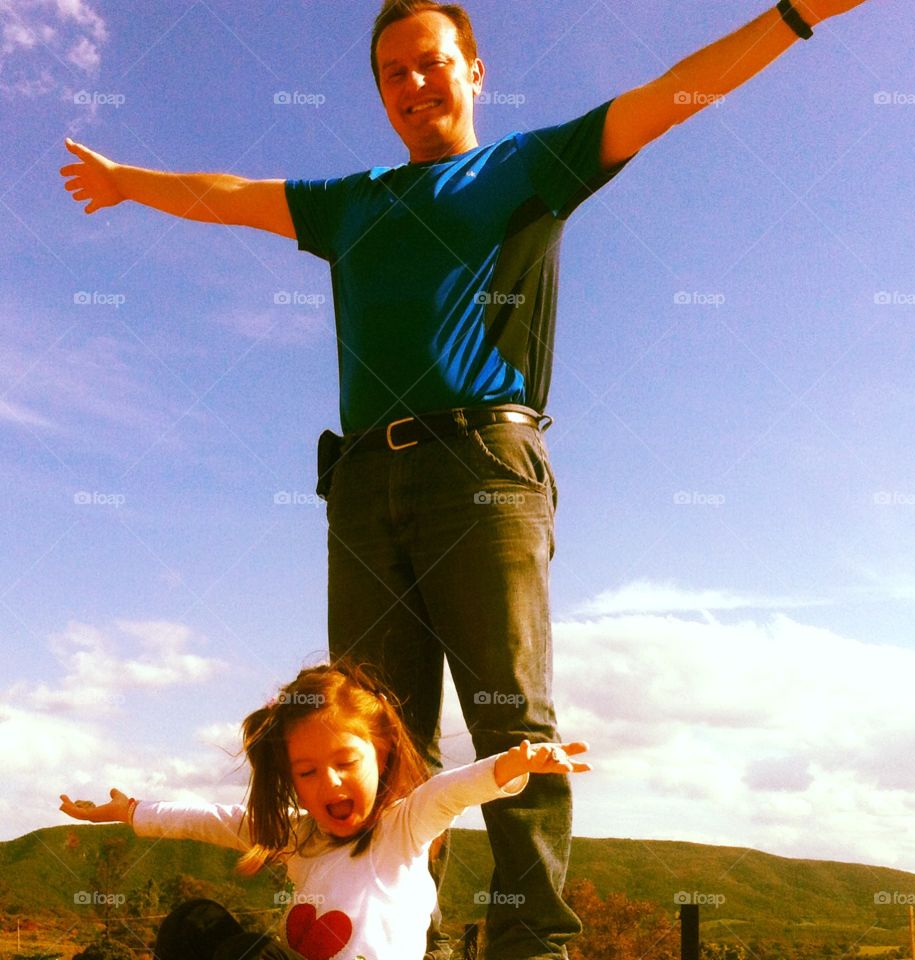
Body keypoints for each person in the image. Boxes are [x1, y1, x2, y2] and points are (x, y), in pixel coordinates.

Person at [59, 1, 872, 956]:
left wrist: (793, 15)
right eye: (392, 75)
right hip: (362, 480)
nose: (413, 86)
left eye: (431, 64)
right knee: (374, 730)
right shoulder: (350, 201)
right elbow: (227, 192)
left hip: (484, 463)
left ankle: (532, 945)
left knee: (509, 722)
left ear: (474, 71)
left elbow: (669, 98)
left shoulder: (528, 168)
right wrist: (125, 182)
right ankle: (409, 942)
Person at [59, 661, 591, 960]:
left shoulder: (402, 829)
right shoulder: (296, 833)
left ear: (381, 755)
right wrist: (132, 811)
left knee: (248, 953)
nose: (328, 781)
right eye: (307, 772)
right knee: (192, 926)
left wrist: (512, 764)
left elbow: (450, 791)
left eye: (344, 762)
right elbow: (210, 820)